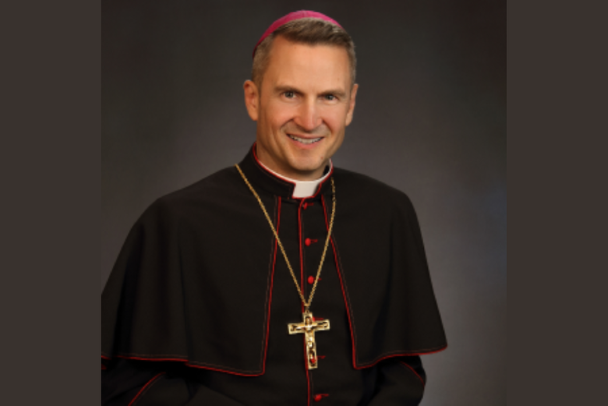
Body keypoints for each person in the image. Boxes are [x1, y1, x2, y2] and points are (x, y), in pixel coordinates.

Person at [102, 10, 447, 406]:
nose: (309, 120)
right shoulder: (177, 223)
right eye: (290, 94)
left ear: (350, 104)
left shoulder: (388, 213)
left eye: (329, 97)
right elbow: (130, 385)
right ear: (253, 98)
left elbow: (403, 370)